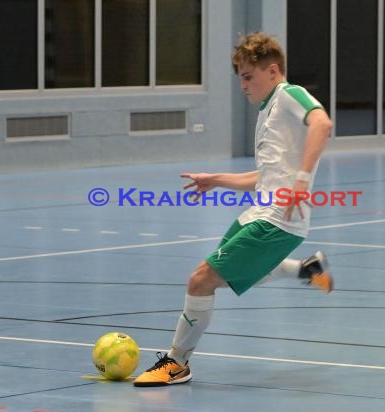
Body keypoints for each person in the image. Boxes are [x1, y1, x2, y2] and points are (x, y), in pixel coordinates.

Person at [133, 32, 334, 387]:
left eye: (248, 76)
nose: (242, 85)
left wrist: (302, 180)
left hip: (278, 221)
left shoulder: (289, 95)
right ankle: (306, 269)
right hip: (259, 214)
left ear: (272, 71)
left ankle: (177, 363)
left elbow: (322, 123)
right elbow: (266, 176)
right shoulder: (269, 109)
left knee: (201, 281)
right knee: (223, 275)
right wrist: (217, 179)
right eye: (239, 76)